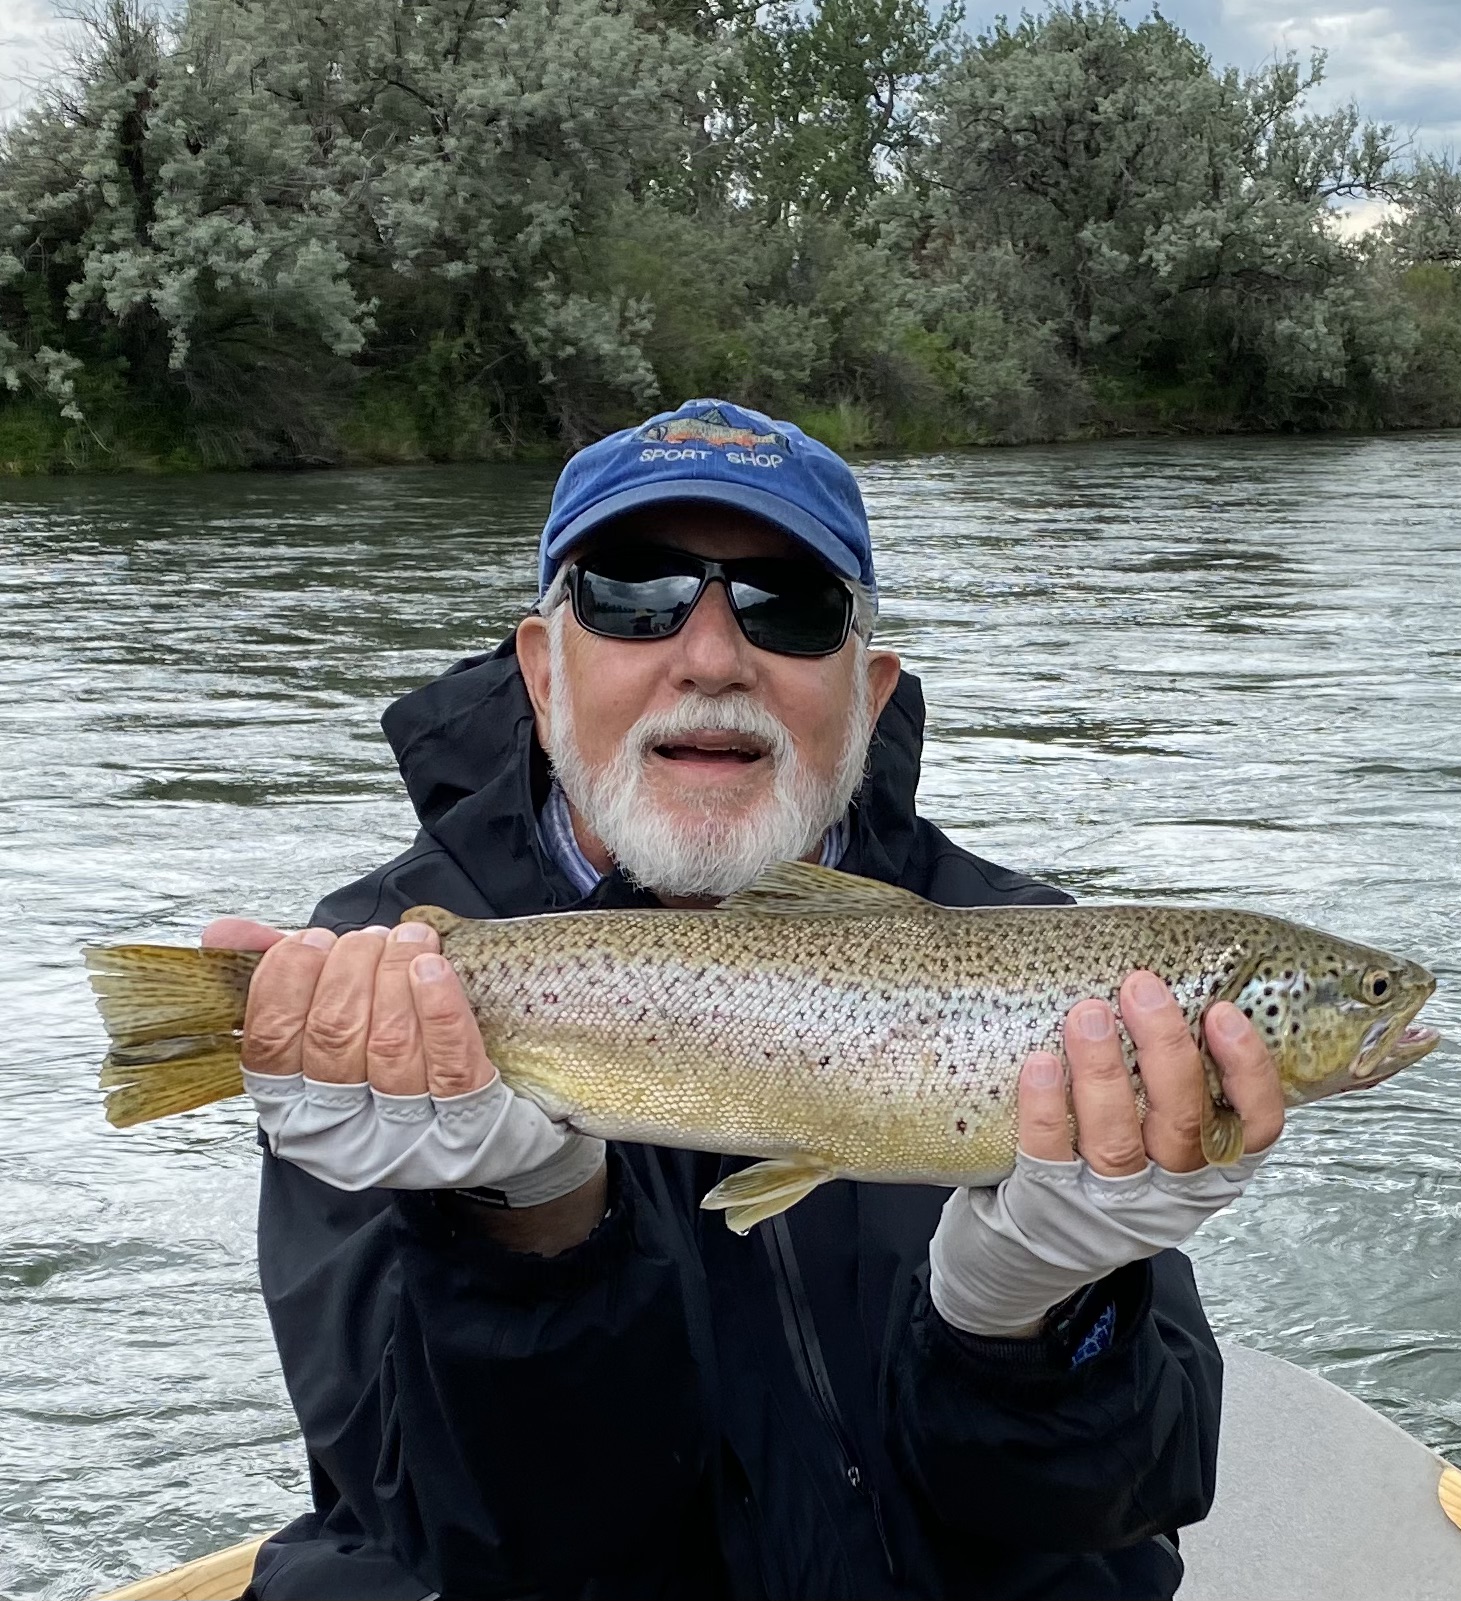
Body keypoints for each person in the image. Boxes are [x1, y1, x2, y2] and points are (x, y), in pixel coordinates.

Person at [216, 399, 1284, 1601]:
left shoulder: (1054, 966)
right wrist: (523, 1232)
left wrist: (1035, 1314)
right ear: (539, 666)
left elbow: (1126, 1501)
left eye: (788, 605)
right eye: (633, 593)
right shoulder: (374, 982)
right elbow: (449, 1536)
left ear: (869, 690)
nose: (713, 656)